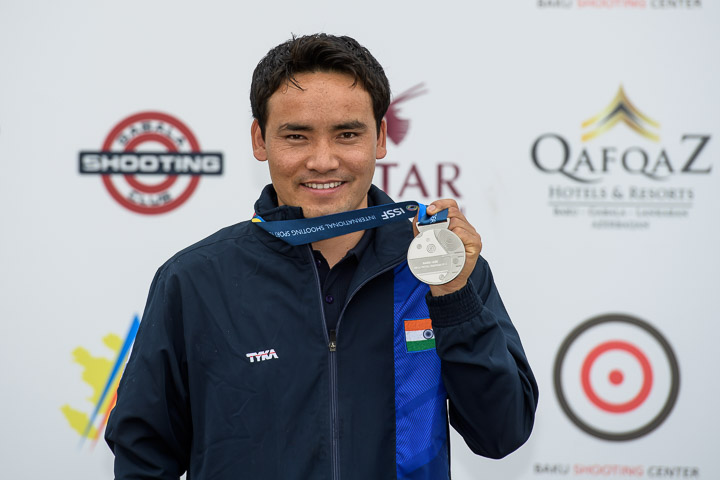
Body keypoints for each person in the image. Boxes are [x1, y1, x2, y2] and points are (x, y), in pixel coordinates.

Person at [105, 33, 538, 480]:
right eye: (297, 136)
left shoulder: (439, 270)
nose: (323, 160)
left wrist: (452, 298)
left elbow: (501, 435)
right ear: (260, 140)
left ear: (381, 137)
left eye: (347, 134)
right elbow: (144, 457)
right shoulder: (194, 280)